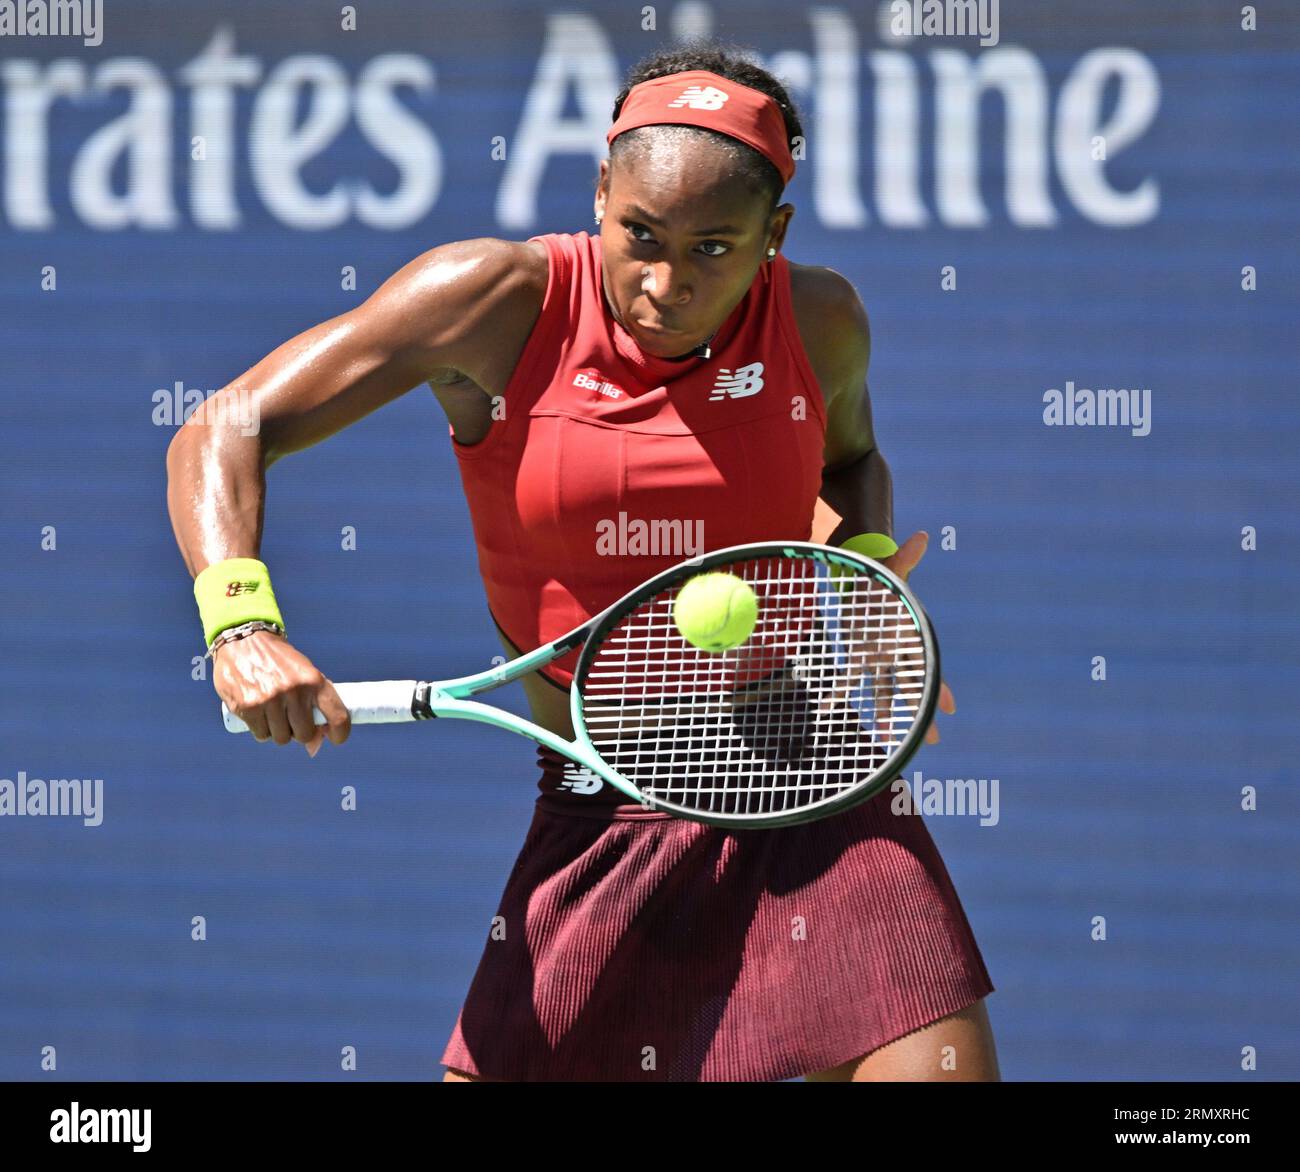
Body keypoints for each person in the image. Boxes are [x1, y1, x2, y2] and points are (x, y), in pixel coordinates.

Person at [166, 40, 999, 1082]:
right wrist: (241, 623)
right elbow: (226, 425)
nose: (663, 282)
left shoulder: (818, 318)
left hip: (806, 771)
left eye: (712, 248)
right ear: (600, 191)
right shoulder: (494, 301)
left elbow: (851, 459)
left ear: (773, 235)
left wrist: (864, 570)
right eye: (638, 234)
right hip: (602, 805)